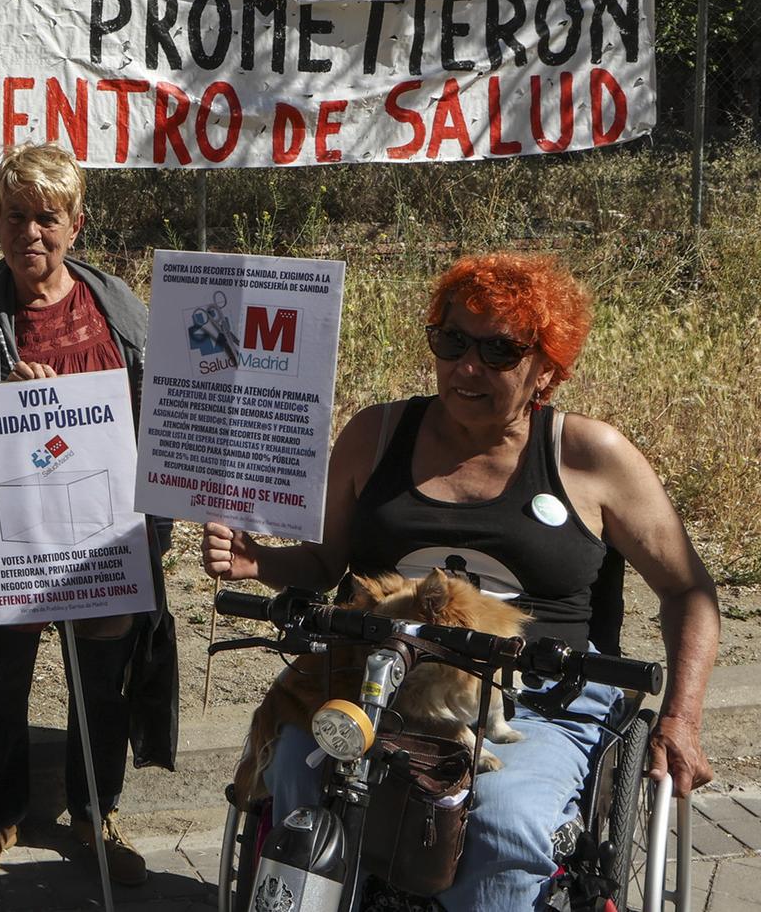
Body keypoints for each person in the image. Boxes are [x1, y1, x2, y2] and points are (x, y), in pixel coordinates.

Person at [202, 251, 721, 912]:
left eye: (499, 350)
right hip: (377, 678)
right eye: (451, 341)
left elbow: (689, 592)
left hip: (534, 699)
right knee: (303, 772)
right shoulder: (375, 436)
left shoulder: (591, 457)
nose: (467, 367)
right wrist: (258, 562)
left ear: (546, 366)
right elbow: (323, 567)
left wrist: (682, 715)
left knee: (502, 819)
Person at [0, 142, 177, 890]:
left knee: (103, 682)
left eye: (48, 219)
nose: (32, 233)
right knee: (3, 682)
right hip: (15, 541)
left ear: (77, 225)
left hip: (108, 534)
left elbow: (162, 407)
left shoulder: (118, 307)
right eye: (17, 217)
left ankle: (97, 812)